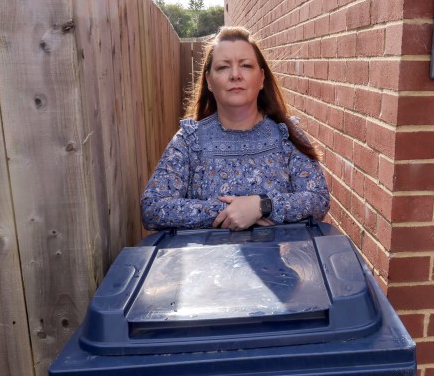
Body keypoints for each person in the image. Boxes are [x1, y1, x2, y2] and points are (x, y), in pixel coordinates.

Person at [141, 26, 329, 231]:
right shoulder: (190, 141)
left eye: (246, 65)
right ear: (209, 81)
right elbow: (152, 207)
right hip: (206, 262)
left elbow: (318, 199)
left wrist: (262, 206)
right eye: (223, 67)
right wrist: (230, 211)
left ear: (262, 78)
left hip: (281, 259)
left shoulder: (286, 135)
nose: (235, 75)